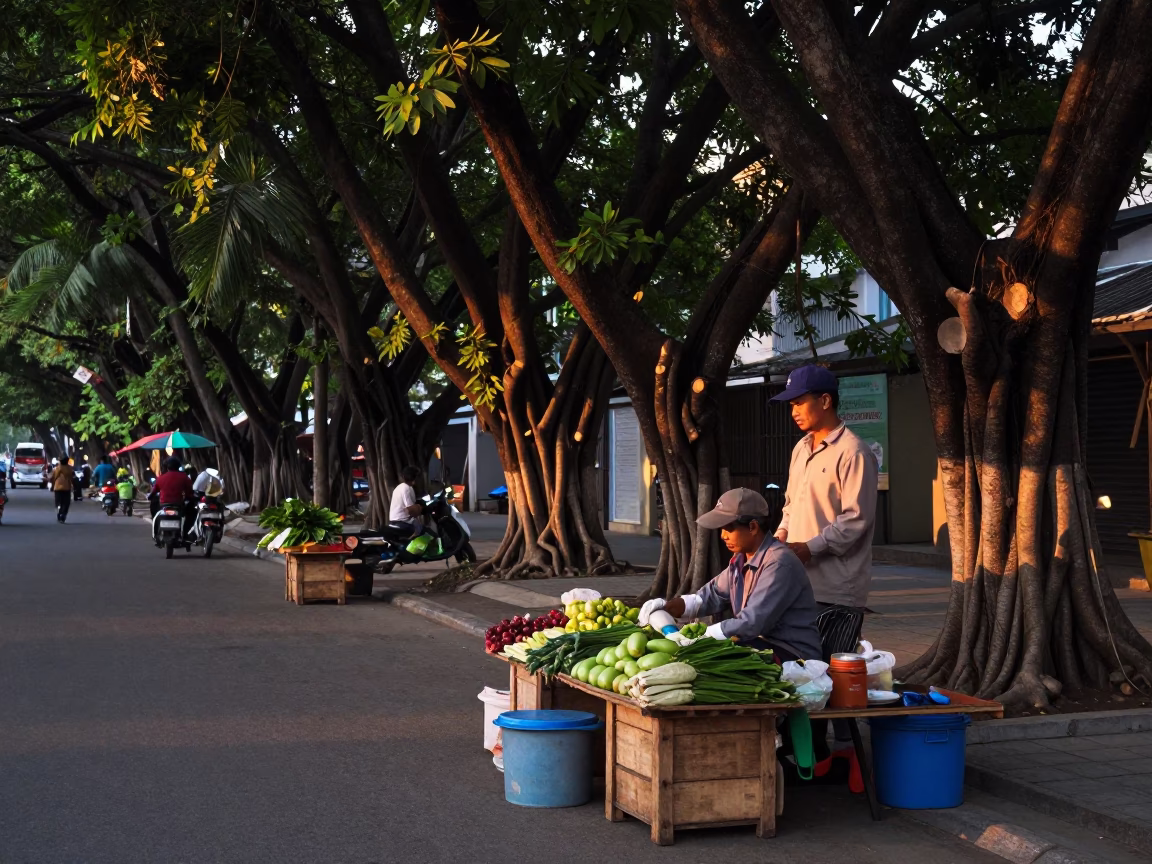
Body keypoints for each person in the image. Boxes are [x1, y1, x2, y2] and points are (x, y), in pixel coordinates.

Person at [638, 488, 822, 663]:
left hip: (792, 655)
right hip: (759, 644)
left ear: (752, 527)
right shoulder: (740, 560)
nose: (722, 536)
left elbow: (751, 623)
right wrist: (668, 606)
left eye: (728, 528)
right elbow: (710, 596)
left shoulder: (778, 563)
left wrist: (703, 636)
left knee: (700, 659)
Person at [771, 364, 879, 658]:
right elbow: (791, 504)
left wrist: (809, 547)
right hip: (796, 582)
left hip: (836, 589)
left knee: (831, 673)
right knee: (799, 671)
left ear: (825, 401)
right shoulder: (800, 448)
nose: (793, 411)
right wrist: (780, 537)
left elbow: (856, 519)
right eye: (791, 405)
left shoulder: (854, 451)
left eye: (799, 402)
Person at [151, 456, 194, 539]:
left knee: (155, 514)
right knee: (190, 515)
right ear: (178, 466)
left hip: (163, 504)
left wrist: (150, 497)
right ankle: (186, 535)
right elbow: (189, 492)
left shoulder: (161, 478)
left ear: (167, 466)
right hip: (179, 504)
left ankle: (156, 535)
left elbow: (154, 491)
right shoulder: (184, 477)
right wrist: (190, 497)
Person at [389, 465, 424, 535]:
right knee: (422, 534)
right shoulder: (407, 488)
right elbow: (411, 509)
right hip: (402, 522)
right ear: (414, 479)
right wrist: (421, 508)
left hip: (396, 521)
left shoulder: (400, 487)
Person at [50, 457, 76, 523]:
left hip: (57, 487)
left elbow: (52, 477)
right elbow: (72, 478)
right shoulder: (70, 469)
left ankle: (59, 511)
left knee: (58, 501)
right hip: (67, 487)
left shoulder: (56, 469)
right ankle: (63, 514)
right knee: (66, 503)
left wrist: (52, 485)